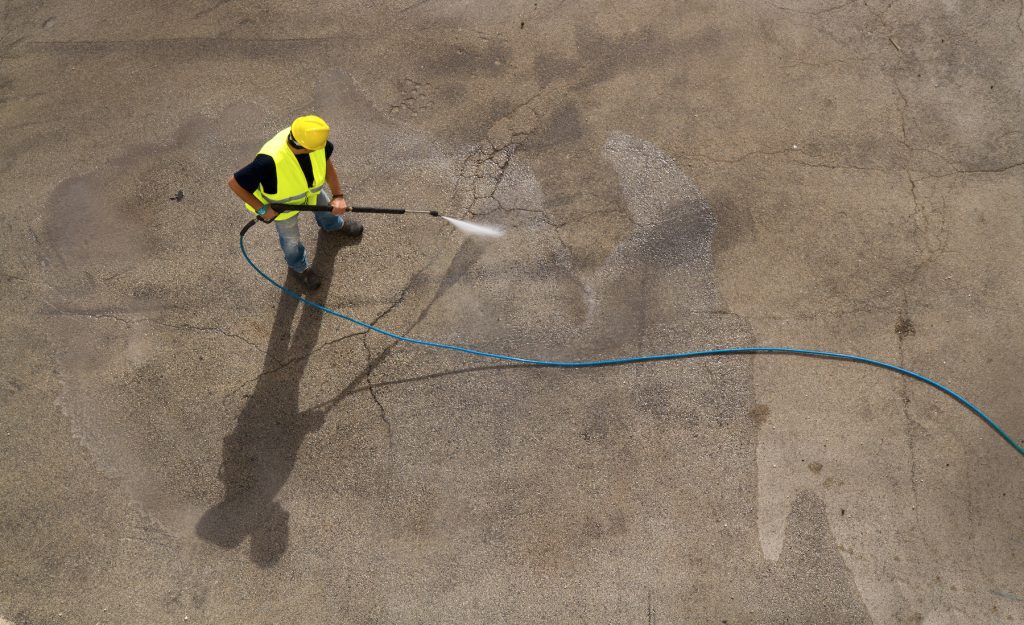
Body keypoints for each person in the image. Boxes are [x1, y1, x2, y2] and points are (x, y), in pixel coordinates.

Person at [228, 115, 362, 290]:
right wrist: (262, 209)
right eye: (316, 148)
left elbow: (327, 164)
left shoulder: (310, 139)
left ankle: (333, 226)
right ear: (305, 147)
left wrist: (338, 196)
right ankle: (299, 268)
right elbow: (234, 183)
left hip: (311, 192)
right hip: (283, 207)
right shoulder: (268, 160)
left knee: (328, 210)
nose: (322, 149)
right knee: (291, 241)